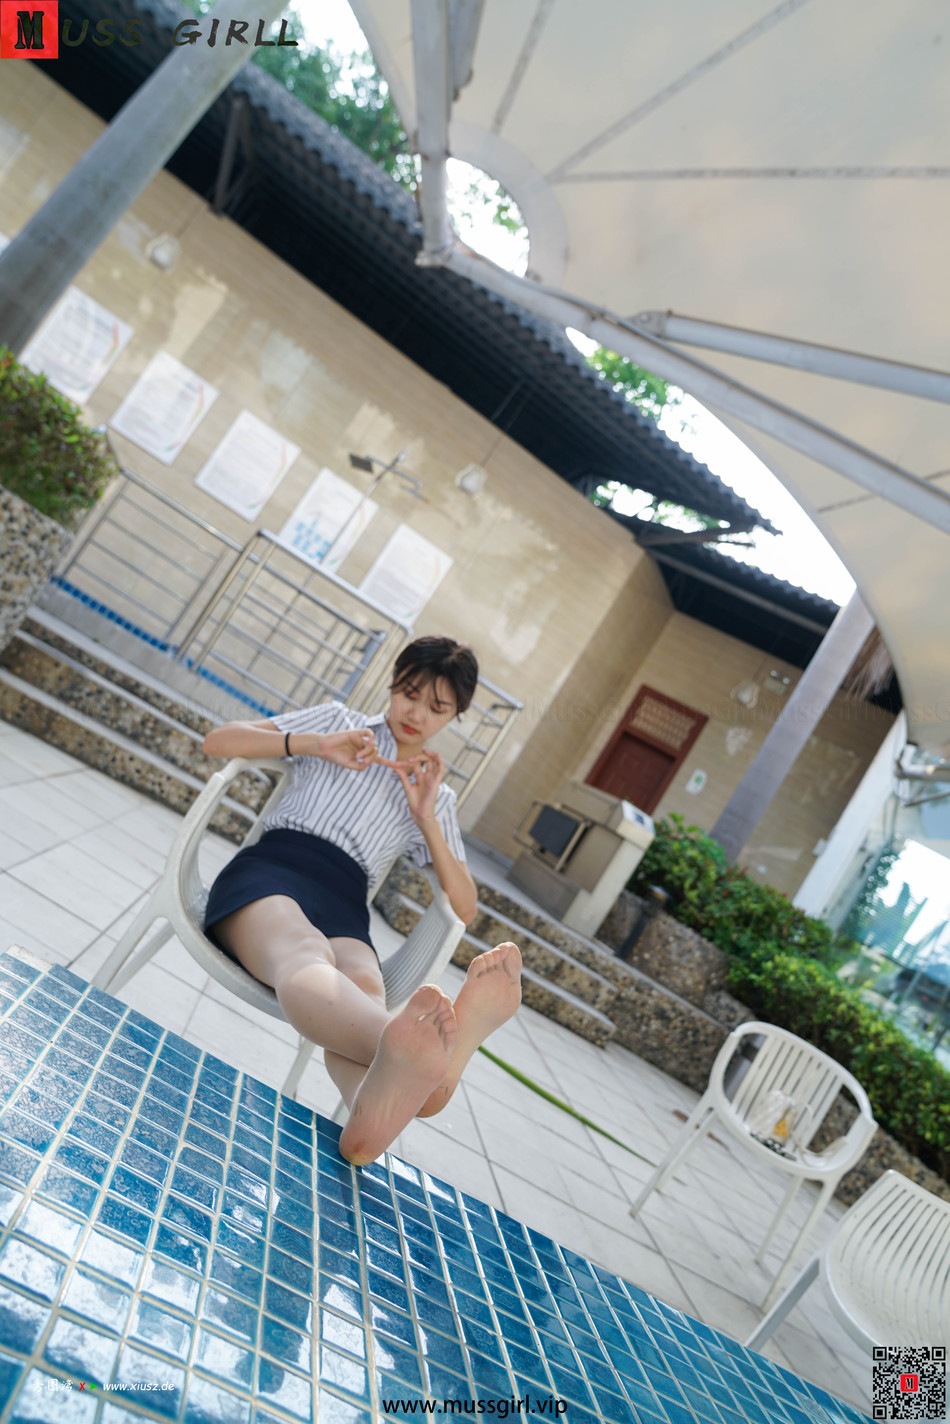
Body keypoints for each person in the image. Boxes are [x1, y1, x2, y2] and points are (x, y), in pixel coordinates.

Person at [201, 635, 522, 1164]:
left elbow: (465, 907)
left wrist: (425, 817)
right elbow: (218, 741)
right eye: (409, 694)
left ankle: (364, 1119)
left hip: (346, 904)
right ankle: (430, 1074)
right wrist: (315, 745)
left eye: (437, 707)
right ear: (392, 683)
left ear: (454, 716)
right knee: (305, 953)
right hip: (273, 871)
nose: (416, 714)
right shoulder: (336, 722)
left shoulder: (435, 794)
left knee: (365, 989)